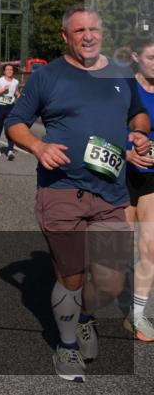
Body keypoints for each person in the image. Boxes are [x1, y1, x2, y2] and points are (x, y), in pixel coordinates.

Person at [5, 5, 150, 382]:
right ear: (65, 36)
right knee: (71, 275)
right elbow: (14, 123)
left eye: (94, 30)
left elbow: (138, 114)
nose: (88, 36)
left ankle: (85, 318)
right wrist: (38, 148)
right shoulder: (47, 76)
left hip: (111, 192)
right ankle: (66, 346)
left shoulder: (120, 74)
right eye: (79, 30)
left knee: (110, 281)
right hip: (62, 191)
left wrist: (137, 133)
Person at [125, 35, 154, 341]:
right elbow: (100, 125)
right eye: (152, 57)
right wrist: (125, 150)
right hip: (119, 173)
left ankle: (137, 314)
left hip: (151, 178)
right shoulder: (122, 87)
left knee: (151, 246)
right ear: (135, 56)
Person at [0, 63, 20, 160]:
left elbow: (15, 92)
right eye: (7, 69)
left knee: (10, 129)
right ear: (4, 71)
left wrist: (19, 96)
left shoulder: (16, 81)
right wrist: (2, 90)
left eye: (11, 70)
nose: (9, 71)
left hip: (10, 107)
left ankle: (10, 150)